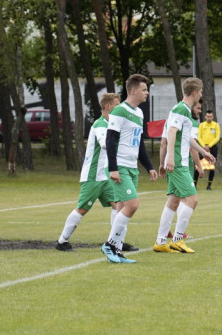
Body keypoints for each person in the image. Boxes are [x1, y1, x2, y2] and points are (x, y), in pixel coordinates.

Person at [100, 74, 158, 264]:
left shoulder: (139, 113)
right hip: (121, 166)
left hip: (132, 167)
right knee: (132, 205)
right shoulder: (119, 111)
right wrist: (114, 168)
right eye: (144, 89)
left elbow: (139, 143)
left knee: (120, 208)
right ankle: (110, 245)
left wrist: (149, 167)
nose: (146, 93)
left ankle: (115, 250)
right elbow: (110, 140)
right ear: (132, 90)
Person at [55, 93, 125, 251]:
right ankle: (62, 241)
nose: (120, 107)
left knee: (117, 205)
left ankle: (115, 241)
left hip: (105, 175)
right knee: (83, 208)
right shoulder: (100, 125)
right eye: (117, 104)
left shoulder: (112, 124)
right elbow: (105, 143)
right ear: (108, 107)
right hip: (93, 175)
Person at [154, 78, 215, 254]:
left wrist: (204, 153)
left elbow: (187, 138)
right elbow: (171, 132)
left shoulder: (184, 110)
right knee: (192, 200)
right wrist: (171, 157)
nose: (202, 95)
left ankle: (160, 242)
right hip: (179, 163)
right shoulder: (181, 109)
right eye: (201, 92)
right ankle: (178, 240)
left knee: (173, 201)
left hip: (177, 161)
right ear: (195, 92)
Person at [198, 109, 220, 190]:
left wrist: (209, 145)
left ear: (213, 117)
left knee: (211, 165)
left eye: (210, 116)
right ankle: (194, 184)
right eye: (208, 116)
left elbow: (217, 137)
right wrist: (204, 145)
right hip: (202, 147)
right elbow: (199, 136)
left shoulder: (215, 125)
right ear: (205, 117)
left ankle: (209, 185)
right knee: (198, 164)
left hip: (212, 147)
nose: (209, 118)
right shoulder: (201, 125)